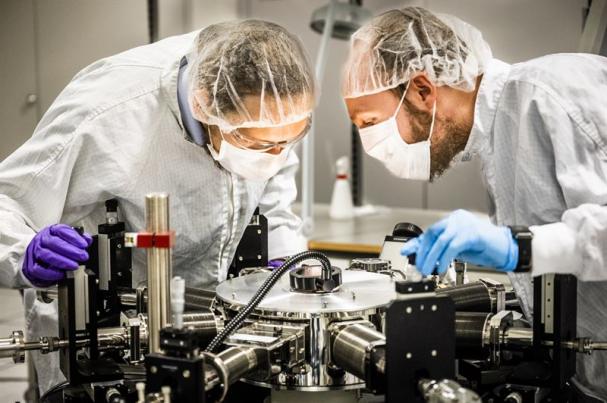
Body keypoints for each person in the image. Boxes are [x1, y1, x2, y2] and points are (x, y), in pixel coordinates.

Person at [0, 20, 315, 393]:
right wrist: (22, 254)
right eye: (256, 143)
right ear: (204, 108)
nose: (274, 155)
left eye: (288, 140)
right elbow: (8, 200)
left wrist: (284, 268)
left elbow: (275, 203)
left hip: (211, 324)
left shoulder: (274, 100)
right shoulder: (107, 111)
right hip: (107, 330)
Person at [341, 6, 607, 398]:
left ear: (422, 89)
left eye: (370, 124)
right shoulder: (499, 136)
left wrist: (518, 247)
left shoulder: (553, 92)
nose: (372, 145)